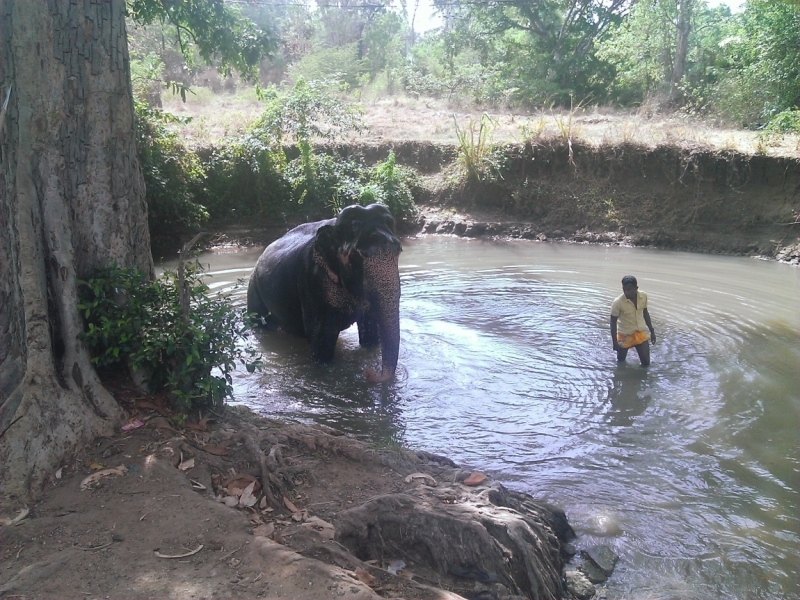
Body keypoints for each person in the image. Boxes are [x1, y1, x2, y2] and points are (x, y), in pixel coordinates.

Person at [610, 275, 656, 366]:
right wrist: (614, 342)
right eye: (624, 289)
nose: (626, 292)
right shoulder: (618, 302)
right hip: (624, 335)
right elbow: (613, 322)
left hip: (640, 333)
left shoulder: (643, 296)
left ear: (636, 288)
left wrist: (652, 330)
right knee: (620, 362)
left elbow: (645, 313)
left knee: (646, 363)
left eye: (629, 289)